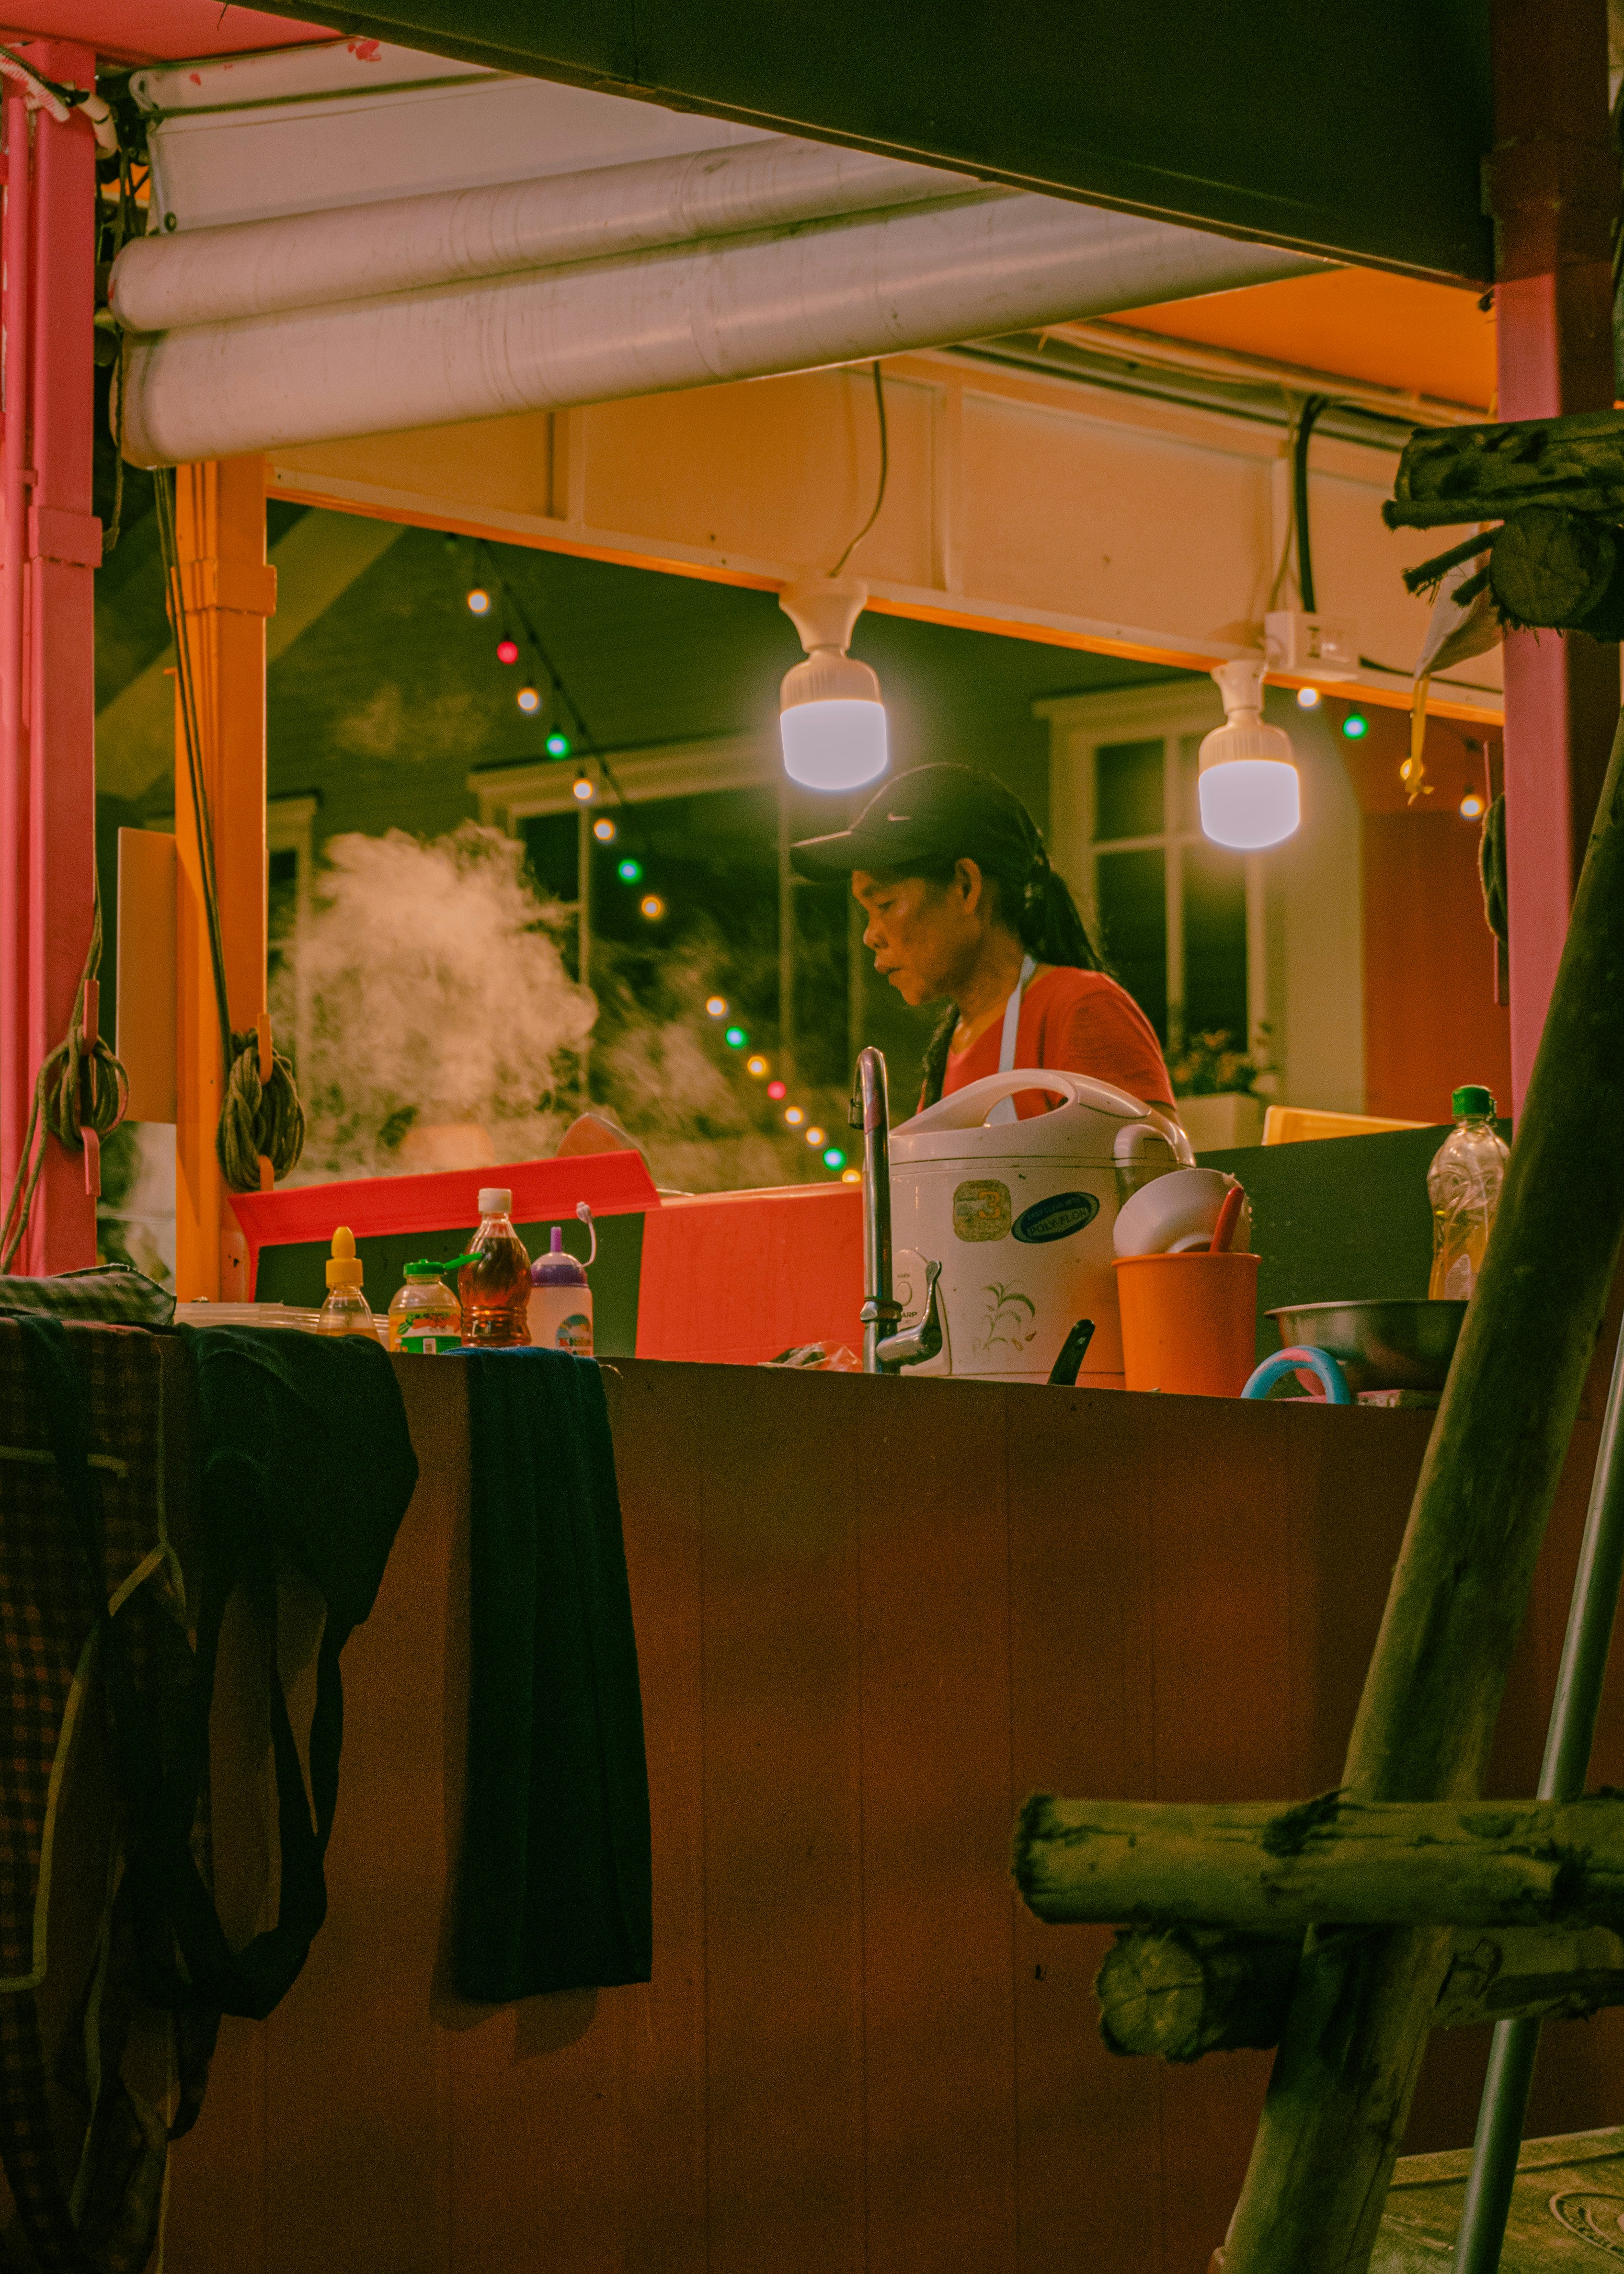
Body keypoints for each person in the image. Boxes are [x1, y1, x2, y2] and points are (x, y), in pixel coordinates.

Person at [792, 763, 1175, 1119]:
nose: (870, 935)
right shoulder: (946, 1057)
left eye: (885, 904)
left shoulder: (1080, 1009)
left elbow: (1156, 1181)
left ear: (965, 885)